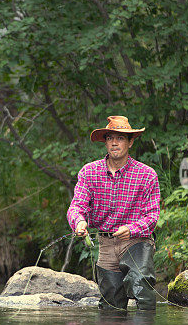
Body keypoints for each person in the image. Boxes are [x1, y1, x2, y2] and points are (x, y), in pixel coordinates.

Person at [67, 116, 161, 311]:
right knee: (111, 305)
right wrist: (79, 222)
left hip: (137, 241)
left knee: (142, 285)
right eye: (110, 138)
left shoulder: (147, 175)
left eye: (120, 138)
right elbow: (77, 206)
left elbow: (152, 217)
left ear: (130, 142)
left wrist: (132, 229)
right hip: (106, 244)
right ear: (105, 142)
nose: (114, 142)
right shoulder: (89, 172)